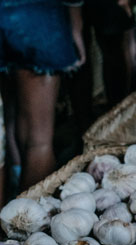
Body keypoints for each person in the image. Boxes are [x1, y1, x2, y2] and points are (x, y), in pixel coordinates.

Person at [0, 0, 85, 201]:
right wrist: (76, 22)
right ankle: (23, 222)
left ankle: (14, 183)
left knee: (7, 120)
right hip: (38, 16)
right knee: (39, 141)